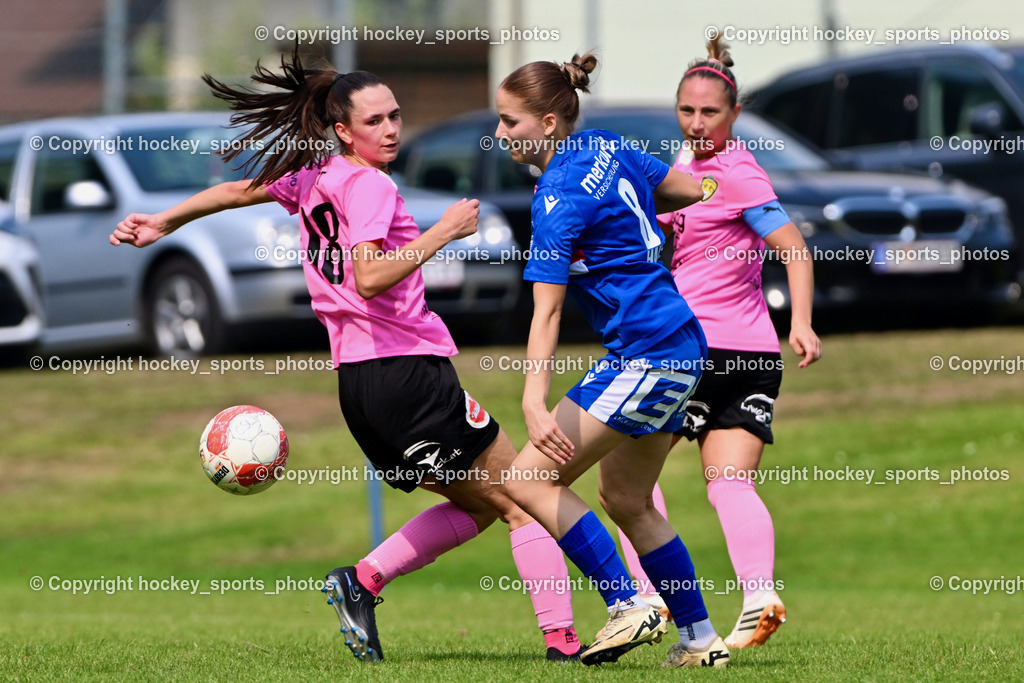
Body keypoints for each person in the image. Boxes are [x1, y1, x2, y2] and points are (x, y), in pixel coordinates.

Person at [109, 48, 584, 664]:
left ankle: (361, 582)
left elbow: (234, 190)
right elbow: (369, 276)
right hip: (407, 374)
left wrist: (164, 222)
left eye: (395, 116)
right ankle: (563, 646)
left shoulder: (316, 177)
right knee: (522, 498)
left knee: (478, 506)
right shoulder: (368, 185)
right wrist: (443, 232)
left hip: (360, 388)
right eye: (375, 121)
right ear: (342, 131)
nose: (390, 129)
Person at [493, 52, 730, 669]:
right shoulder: (603, 143)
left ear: (547, 123)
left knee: (525, 480)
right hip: (682, 345)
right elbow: (678, 187)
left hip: (649, 352)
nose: (500, 134)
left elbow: (544, 315)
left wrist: (530, 400)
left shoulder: (554, 200)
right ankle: (701, 638)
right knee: (626, 498)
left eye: (509, 122)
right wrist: (705, 189)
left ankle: (629, 604)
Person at [617, 35, 822, 649]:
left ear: (734, 115)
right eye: (687, 110)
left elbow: (794, 249)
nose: (698, 121)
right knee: (728, 481)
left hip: (693, 355)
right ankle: (758, 594)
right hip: (747, 356)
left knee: (626, 481)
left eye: (711, 111)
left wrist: (803, 323)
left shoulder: (736, 172)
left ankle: (650, 599)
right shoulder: (681, 173)